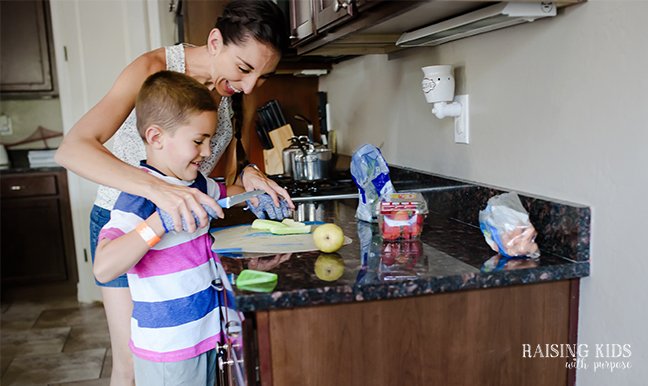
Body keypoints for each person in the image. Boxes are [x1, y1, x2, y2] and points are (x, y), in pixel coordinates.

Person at [54, 1, 292, 384]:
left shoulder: (231, 93)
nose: (249, 86)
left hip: (178, 232)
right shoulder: (153, 69)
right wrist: (159, 192)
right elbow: (73, 148)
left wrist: (248, 176)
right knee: (132, 363)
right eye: (245, 69)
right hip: (128, 224)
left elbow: (221, 168)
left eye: (262, 78)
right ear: (215, 41)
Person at [94, 70, 241, 385]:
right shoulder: (140, 198)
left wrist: (259, 188)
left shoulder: (194, 182)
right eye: (199, 141)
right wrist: (158, 223)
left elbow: (228, 195)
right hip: (169, 352)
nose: (206, 152)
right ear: (156, 137)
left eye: (210, 140)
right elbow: (104, 268)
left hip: (207, 336)